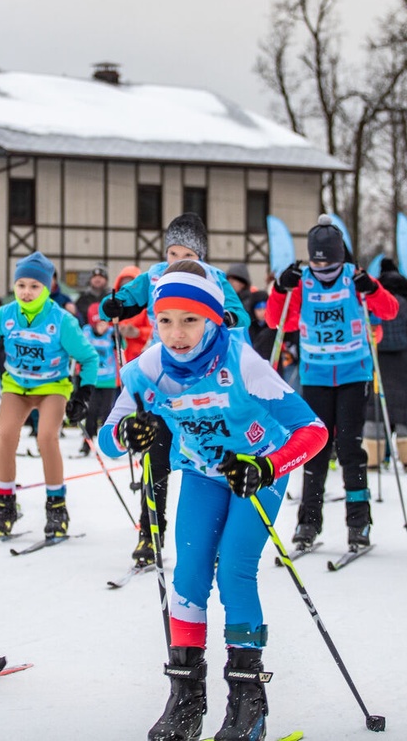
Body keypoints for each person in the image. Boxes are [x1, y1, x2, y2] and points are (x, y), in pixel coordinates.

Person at [98, 262, 327, 741]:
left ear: (213, 319)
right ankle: (186, 697)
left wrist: (266, 467)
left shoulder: (243, 363)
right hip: (203, 475)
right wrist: (128, 433)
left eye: (190, 320)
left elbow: (313, 431)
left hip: (259, 470)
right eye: (165, 320)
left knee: (235, 571)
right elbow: (108, 439)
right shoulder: (146, 370)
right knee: (189, 575)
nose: (176, 334)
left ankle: (248, 700)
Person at [99, 213, 249, 565]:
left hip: (206, 376)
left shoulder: (214, 278)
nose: (178, 263)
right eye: (172, 254)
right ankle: (150, 533)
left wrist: (226, 317)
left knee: (209, 458)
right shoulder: (153, 276)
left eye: (188, 256)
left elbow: (239, 314)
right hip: (162, 374)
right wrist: (115, 305)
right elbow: (127, 300)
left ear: (201, 257)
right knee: (156, 455)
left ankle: (213, 535)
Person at [267, 215, 398, 551]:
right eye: (317, 263)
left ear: (342, 259)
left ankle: (359, 523)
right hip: (316, 376)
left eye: (331, 264)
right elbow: (276, 320)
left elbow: (390, 310)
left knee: (351, 449)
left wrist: (373, 287)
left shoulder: (355, 280)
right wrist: (281, 288)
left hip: (354, 375)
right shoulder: (303, 283)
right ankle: (309, 523)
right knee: (315, 449)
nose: (324, 271)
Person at [0, 251, 99, 539]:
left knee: (45, 438)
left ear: (48, 286)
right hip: (17, 386)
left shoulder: (61, 320)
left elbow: (88, 358)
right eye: (21, 285)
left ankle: (56, 506)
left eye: (34, 286)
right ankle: (6, 504)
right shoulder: (5, 315)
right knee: (5, 436)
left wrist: (83, 393)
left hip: (52, 387)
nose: (26, 292)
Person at [361, 258, 407, 473]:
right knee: (405, 411)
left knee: (374, 409)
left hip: (377, 359)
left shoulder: (373, 298)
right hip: (404, 361)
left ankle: (373, 459)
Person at [78, 302, 120, 456]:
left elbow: (123, 346)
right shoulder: (87, 332)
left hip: (108, 379)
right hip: (93, 379)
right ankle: (87, 442)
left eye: (104, 324)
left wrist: (118, 338)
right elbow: (80, 348)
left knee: (107, 412)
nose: (101, 327)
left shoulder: (111, 332)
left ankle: (110, 443)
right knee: (91, 411)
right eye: (98, 324)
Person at [113, 265, 153, 364]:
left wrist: (138, 333)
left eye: (131, 284)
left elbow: (157, 331)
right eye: (123, 285)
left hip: (141, 359)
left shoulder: (148, 307)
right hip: (116, 361)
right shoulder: (113, 307)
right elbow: (102, 327)